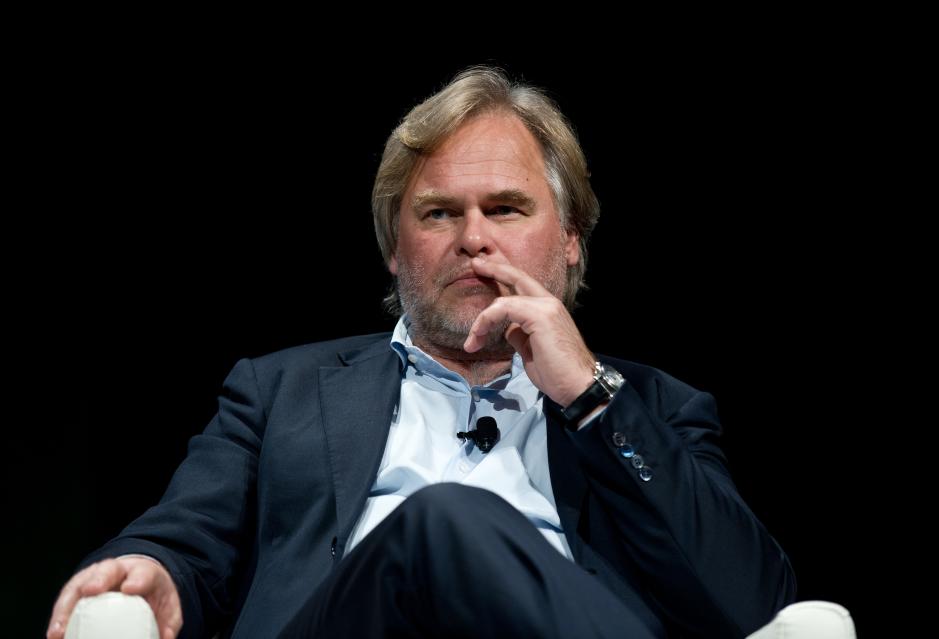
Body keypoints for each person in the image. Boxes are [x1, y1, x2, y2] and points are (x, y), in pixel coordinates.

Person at [48, 66, 796, 639]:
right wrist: (158, 569)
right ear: (394, 250)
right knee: (444, 522)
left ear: (570, 241)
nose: (475, 239)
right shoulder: (278, 392)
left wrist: (593, 397)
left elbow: (755, 599)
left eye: (506, 208)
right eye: (439, 213)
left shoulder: (655, 407)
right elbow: (183, 536)